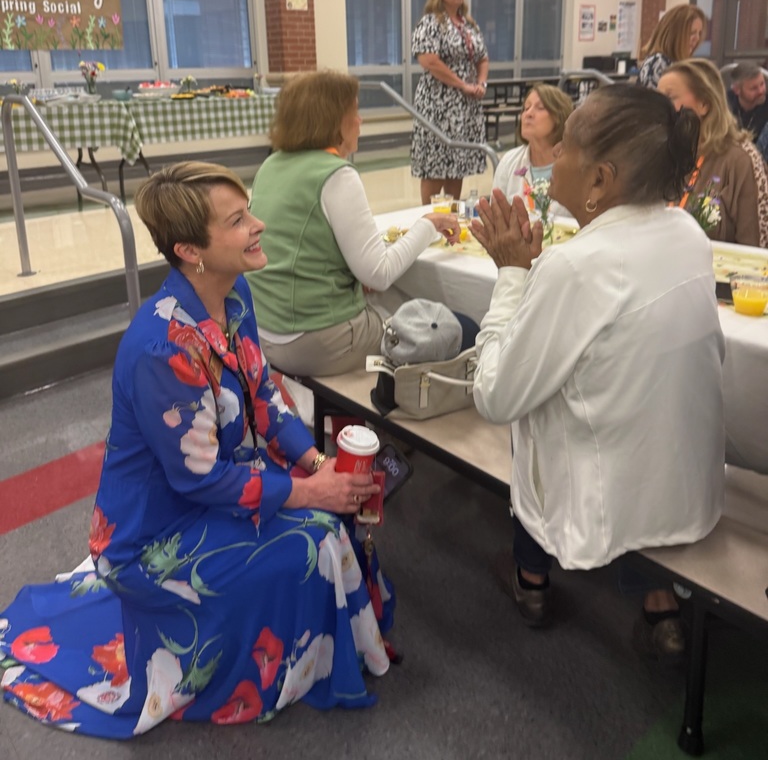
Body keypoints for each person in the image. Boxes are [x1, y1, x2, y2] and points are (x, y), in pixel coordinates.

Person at [0, 162, 393, 738]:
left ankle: (305, 648)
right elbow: (198, 481)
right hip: (153, 533)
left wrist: (315, 464)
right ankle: (278, 661)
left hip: (211, 484)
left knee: (326, 519)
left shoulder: (236, 298)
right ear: (191, 250)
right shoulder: (164, 347)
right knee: (316, 535)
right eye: (239, 220)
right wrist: (309, 490)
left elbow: (265, 396)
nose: (259, 225)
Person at [470, 85, 725, 660]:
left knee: (527, 407)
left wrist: (513, 273)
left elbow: (494, 395)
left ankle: (532, 579)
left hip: (606, 504)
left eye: (565, 147)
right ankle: (659, 602)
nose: (554, 151)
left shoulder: (576, 266)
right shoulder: (687, 233)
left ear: (600, 181)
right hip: (686, 489)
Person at [248, 70, 460, 378]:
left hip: (265, 330)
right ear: (333, 121)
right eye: (355, 112)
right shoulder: (336, 175)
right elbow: (379, 273)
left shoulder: (270, 166)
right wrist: (428, 224)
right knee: (435, 324)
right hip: (315, 340)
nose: (360, 121)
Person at [657, 58, 768, 248]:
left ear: (704, 104)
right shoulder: (664, 154)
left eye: (670, 97)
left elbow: (755, 248)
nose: (660, 107)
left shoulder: (742, 160)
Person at [411, 0, 489, 205]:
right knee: (436, 165)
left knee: (458, 164)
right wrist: (462, 85)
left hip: (465, 108)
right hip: (438, 106)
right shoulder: (430, 23)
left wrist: (480, 83)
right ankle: (430, 220)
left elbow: (482, 58)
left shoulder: (469, 25)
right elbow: (429, 61)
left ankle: (452, 218)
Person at [492, 83, 574, 221]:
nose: (528, 114)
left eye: (540, 108)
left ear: (558, 117)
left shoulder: (576, 165)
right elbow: (496, 218)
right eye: (526, 108)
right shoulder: (509, 161)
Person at [637, 4, 706, 89]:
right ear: (675, 34)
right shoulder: (658, 63)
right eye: (692, 33)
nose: (697, 38)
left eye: (699, 33)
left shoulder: (679, 64)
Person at [723, 60, 768, 145]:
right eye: (754, 88)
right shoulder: (724, 103)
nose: (761, 91)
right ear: (737, 90)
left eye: (762, 84)